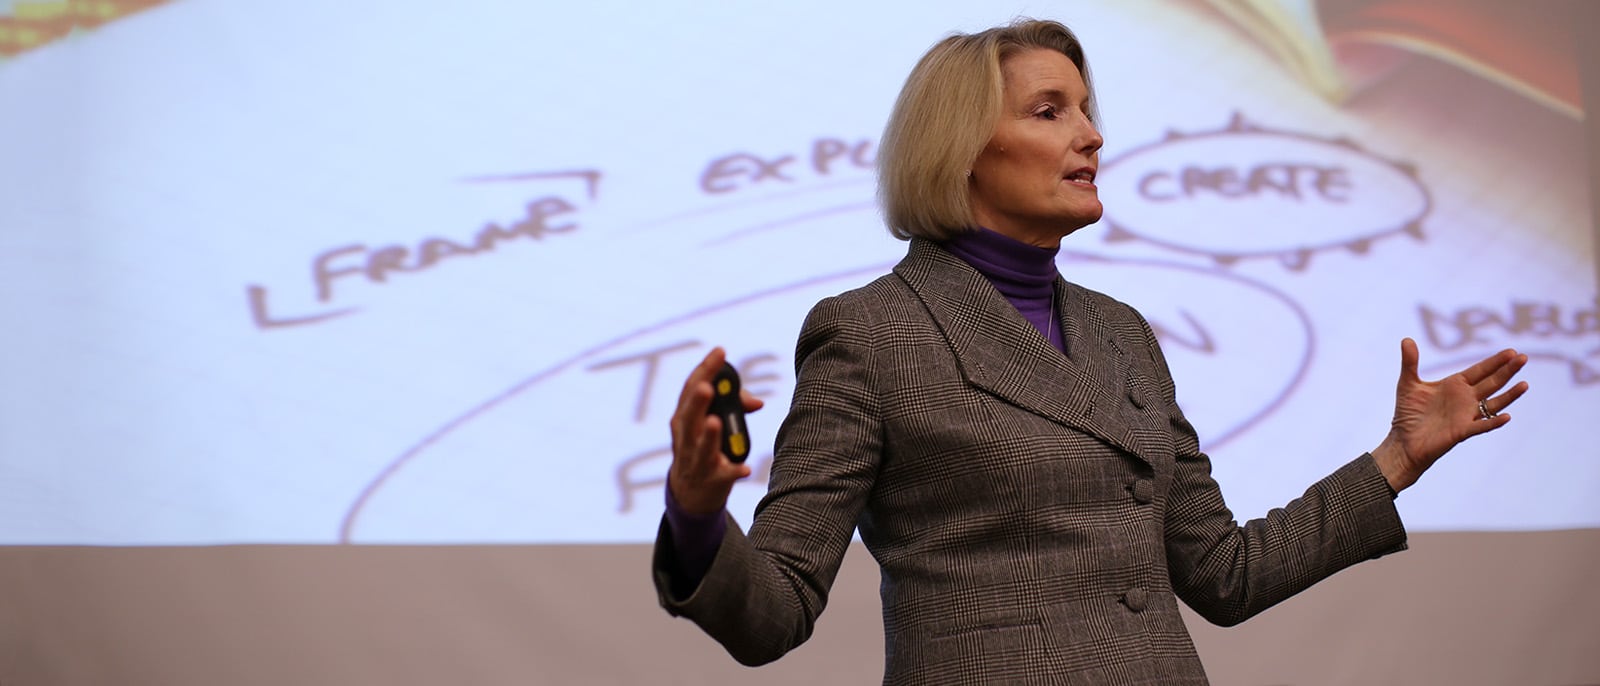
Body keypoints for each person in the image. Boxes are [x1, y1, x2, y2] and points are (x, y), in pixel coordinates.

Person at [651, 18, 1529, 686]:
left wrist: (1397, 459)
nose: (1093, 135)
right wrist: (696, 517)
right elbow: (772, 615)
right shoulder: (871, 332)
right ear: (962, 151)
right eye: (1049, 111)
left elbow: (1225, 575)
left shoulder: (1122, 333)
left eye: (1086, 109)